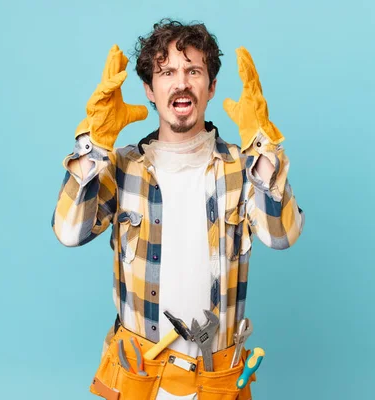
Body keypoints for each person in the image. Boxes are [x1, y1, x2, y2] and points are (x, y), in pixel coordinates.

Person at [51, 18, 305, 400]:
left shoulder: (241, 168)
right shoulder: (121, 167)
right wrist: (95, 145)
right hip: (139, 377)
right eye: (166, 71)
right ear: (149, 90)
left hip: (219, 381)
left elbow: (282, 236)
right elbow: (69, 231)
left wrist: (263, 150)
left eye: (193, 70)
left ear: (211, 86)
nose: (181, 82)